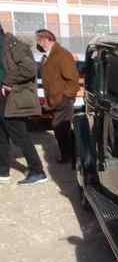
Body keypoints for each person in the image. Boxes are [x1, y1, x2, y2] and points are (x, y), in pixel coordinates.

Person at [0, 24, 47, 185]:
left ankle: (38, 171)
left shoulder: (12, 45)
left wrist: (7, 82)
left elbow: (29, 68)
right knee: (1, 136)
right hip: (3, 100)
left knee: (20, 136)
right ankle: (3, 171)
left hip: (12, 99)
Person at [35, 29, 79, 163]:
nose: (38, 44)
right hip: (55, 100)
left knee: (61, 128)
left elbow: (72, 78)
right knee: (61, 129)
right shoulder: (48, 56)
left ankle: (69, 157)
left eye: (39, 41)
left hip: (63, 100)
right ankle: (69, 156)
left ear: (46, 40)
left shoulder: (61, 55)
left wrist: (65, 97)